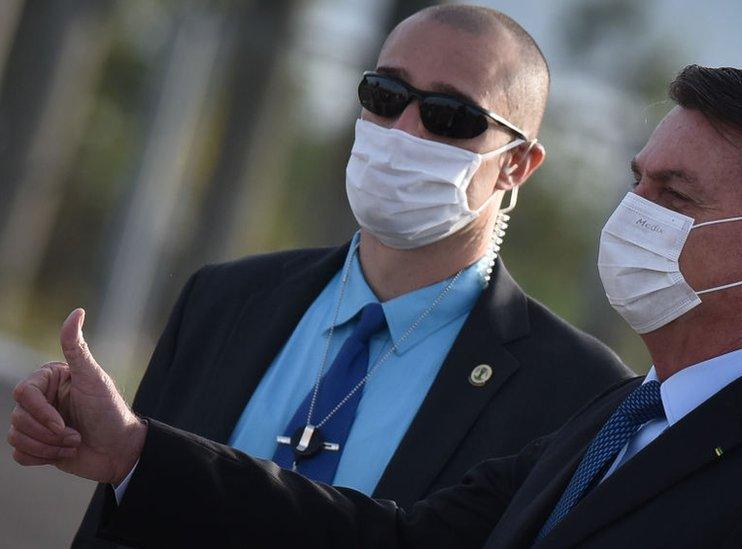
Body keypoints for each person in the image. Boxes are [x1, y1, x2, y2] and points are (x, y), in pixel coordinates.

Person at [10, 65, 742, 548]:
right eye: (638, 183)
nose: (635, 216)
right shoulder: (628, 411)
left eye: (676, 194)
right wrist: (134, 452)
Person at [65, 5, 632, 547]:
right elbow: (112, 524)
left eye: (449, 115)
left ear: (516, 164)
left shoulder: (576, 390)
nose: (404, 130)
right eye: (384, 96)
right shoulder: (224, 299)